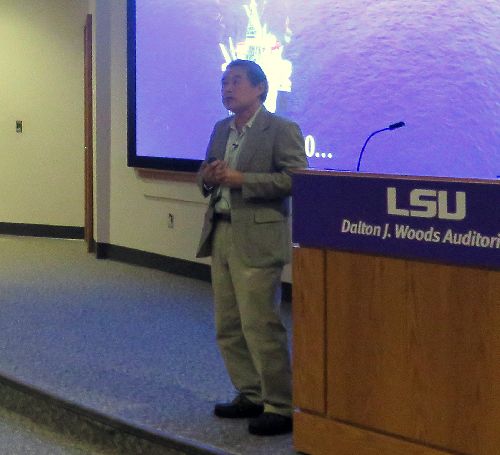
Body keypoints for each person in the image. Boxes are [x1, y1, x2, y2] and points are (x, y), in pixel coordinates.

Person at [196, 59, 308, 436]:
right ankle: (250, 393)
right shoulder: (219, 129)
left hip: (258, 237)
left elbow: (296, 178)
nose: (227, 88)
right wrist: (209, 179)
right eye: (224, 81)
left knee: (261, 324)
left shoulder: (281, 129)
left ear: (260, 88)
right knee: (227, 325)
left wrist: (243, 179)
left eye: (236, 81)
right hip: (222, 232)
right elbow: (205, 175)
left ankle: (280, 404)